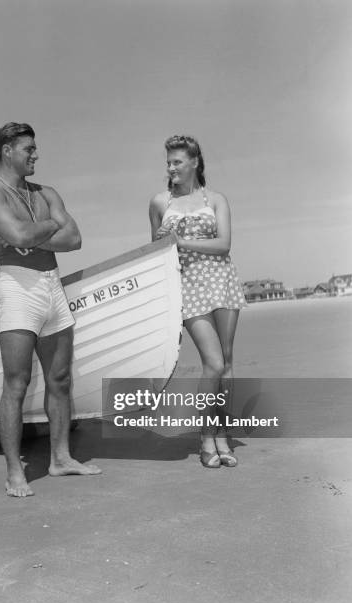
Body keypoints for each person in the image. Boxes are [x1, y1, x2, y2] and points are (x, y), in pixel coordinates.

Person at [0, 122, 101, 496]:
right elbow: (17, 236)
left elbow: (75, 238)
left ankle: (60, 459)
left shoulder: (47, 192)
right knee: (16, 383)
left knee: (60, 379)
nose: (35, 154)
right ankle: (14, 471)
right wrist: (48, 227)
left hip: (52, 287)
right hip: (17, 287)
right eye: (28, 148)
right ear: (7, 150)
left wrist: (33, 231)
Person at [149, 135, 247, 468]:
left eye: (177, 161)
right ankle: (206, 435)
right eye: (168, 162)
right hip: (187, 286)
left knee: (228, 362)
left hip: (222, 282)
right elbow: (156, 253)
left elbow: (224, 245)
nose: (171, 167)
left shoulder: (216, 199)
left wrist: (181, 240)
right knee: (214, 363)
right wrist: (167, 243)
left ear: (194, 162)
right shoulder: (160, 202)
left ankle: (221, 436)